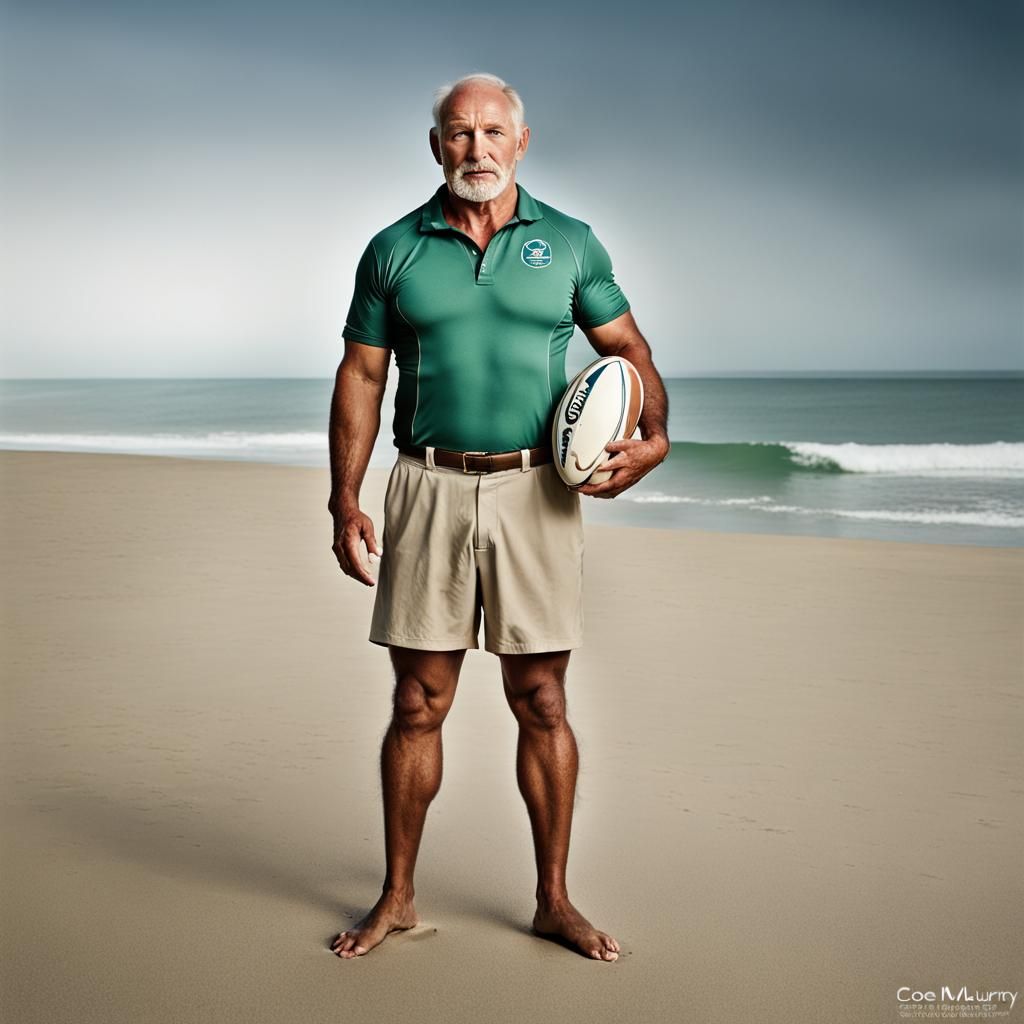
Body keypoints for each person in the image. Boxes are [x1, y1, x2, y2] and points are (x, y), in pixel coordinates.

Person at [327, 72, 670, 962]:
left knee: (542, 699)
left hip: (537, 491)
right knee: (417, 702)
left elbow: (627, 351)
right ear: (435, 144)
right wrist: (344, 496)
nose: (474, 149)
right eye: (457, 133)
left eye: (491, 133)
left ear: (521, 142)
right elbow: (363, 376)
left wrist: (655, 439)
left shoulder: (570, 242)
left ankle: (554, 900)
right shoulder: (393, 249)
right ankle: (397, 897)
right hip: (428, 484)